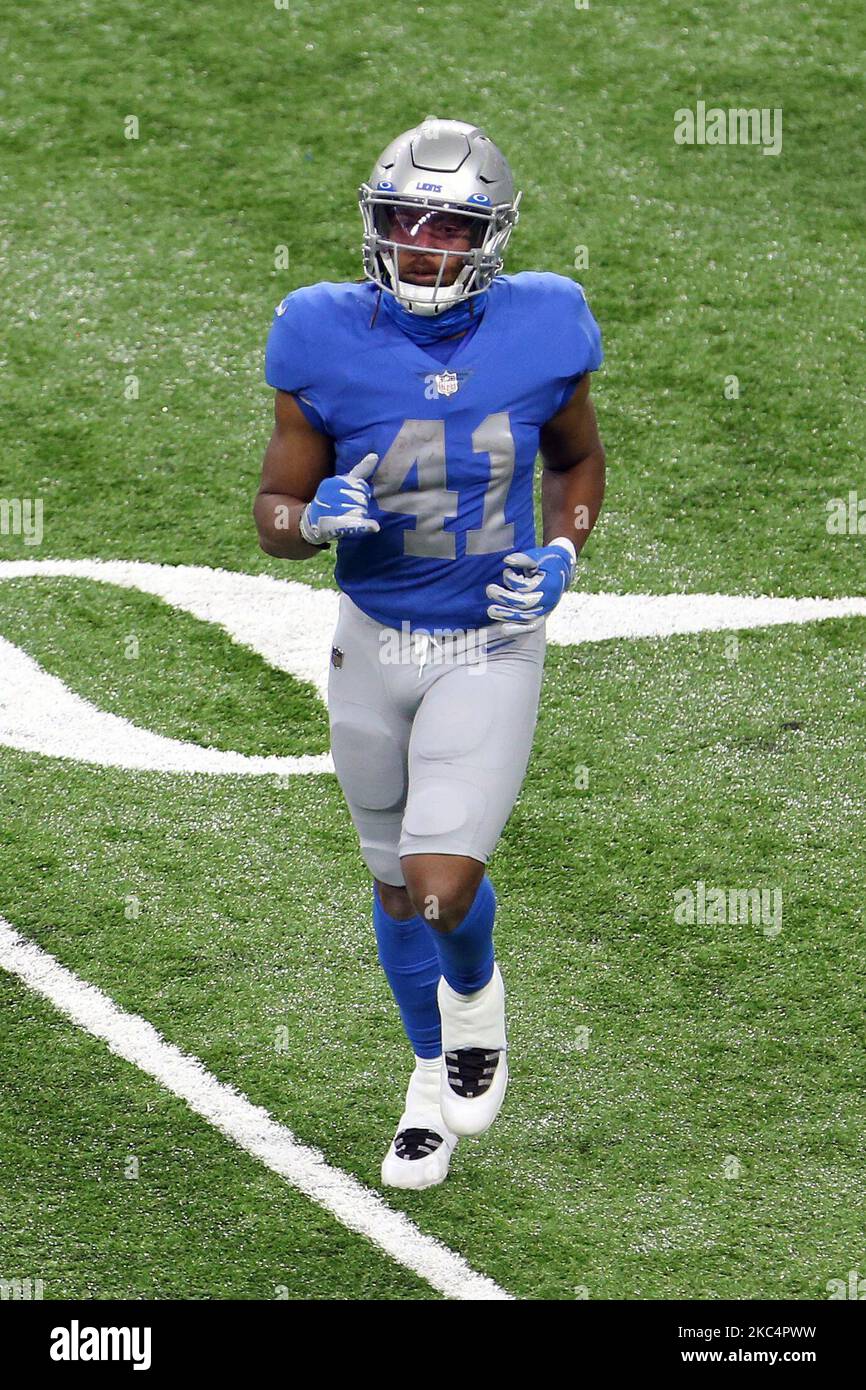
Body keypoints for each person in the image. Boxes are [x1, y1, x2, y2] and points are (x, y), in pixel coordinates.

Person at [254, 118, 605, 1189]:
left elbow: (578, 459)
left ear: (487, 237)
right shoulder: (317, 331)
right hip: (371, 638)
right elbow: (269, 507)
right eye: (403, 220)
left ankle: (477, 1011)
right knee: (393, 892)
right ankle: (424, 1078)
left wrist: (562, 552)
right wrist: (311, 520)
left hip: (487, 637)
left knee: (440, 882)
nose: (421, 244)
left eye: (447, 226)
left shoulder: (547, 321)